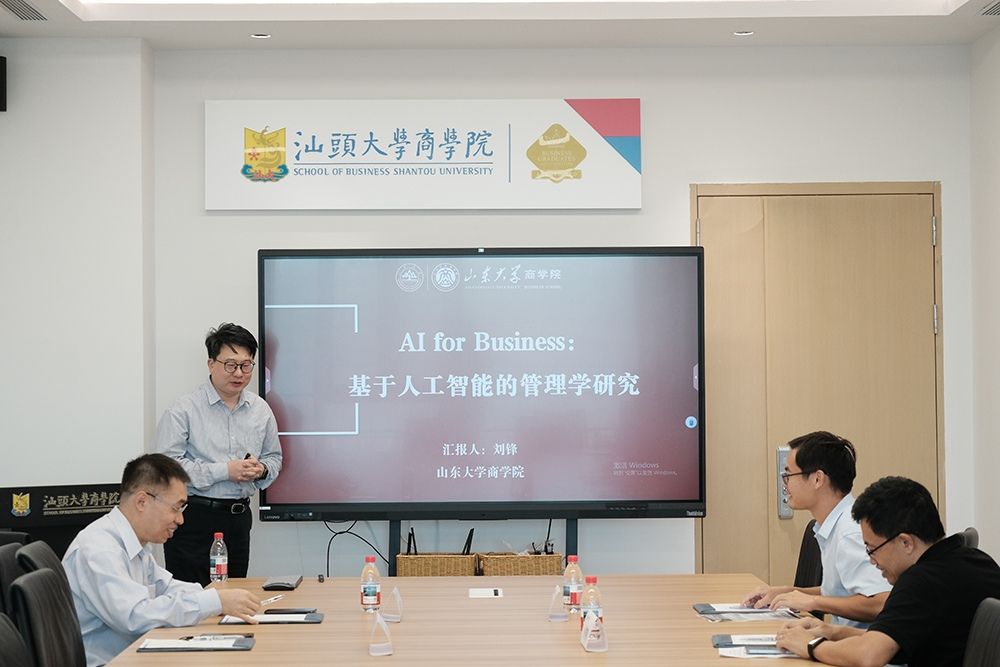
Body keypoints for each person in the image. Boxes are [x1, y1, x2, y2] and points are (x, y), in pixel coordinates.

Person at [776, 475, 1000, 666]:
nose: (872, 561)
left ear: (905, 542)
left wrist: (810, 645)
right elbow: (892, 637)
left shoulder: (921, 581)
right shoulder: (975, 560)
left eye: (872, 549)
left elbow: (869, 655)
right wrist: (832, 632)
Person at [63, 454, 261, 667]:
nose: (180, 519)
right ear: (142, 501)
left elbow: (165, 586)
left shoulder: (134, 543)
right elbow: (134, 617)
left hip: (132, 655)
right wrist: (213, 602)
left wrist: (219, 598)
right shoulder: (99, 549)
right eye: (175, 508)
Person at [154, 323, 282, 585]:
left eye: (246, 365)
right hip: (193, 519)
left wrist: (262, 470)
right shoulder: (184, 409)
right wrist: (225, 471)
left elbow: (274, 457)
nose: (239, 373)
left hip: (238, 520)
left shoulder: (261, 410)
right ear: (211, 364)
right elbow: (166, 469)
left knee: (233, 597)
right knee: (191, 599)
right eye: (231, 365)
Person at [742, 431, 890, 626]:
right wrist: (788, 592)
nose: (785, 485)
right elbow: (841, 593)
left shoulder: (850, 532)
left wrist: (813, 602)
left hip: (859, 642)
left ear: (817, 479)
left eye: (788, 475)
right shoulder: (834, 524)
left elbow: (882, 602)